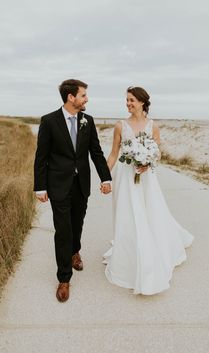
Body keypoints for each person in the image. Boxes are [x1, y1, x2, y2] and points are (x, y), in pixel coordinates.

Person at [103, 86, 194, 295]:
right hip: (125, 177)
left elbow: (157, 153)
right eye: (127, 100)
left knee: (149, 212)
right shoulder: (120, 126)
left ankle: (151, 252)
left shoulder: (153, 126)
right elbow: (113, 154)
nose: (128, 103)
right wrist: (104, 176)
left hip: (146, 178)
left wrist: (147, 162)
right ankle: (129, 254)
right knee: (127, 215)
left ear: (142, 102)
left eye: (132, 100)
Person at [34, 79, 111, 302]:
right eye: (84, 95)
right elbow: (42, 157)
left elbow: (96, 153)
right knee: (63, 229)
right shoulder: (49, 121)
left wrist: (106, 178)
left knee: (77, 223)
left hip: (81, 185)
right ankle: (64, 278)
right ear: (71, 97)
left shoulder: (88, 120)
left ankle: (75, 250)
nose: (87, 99)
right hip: (58, 185)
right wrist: (40, 186)